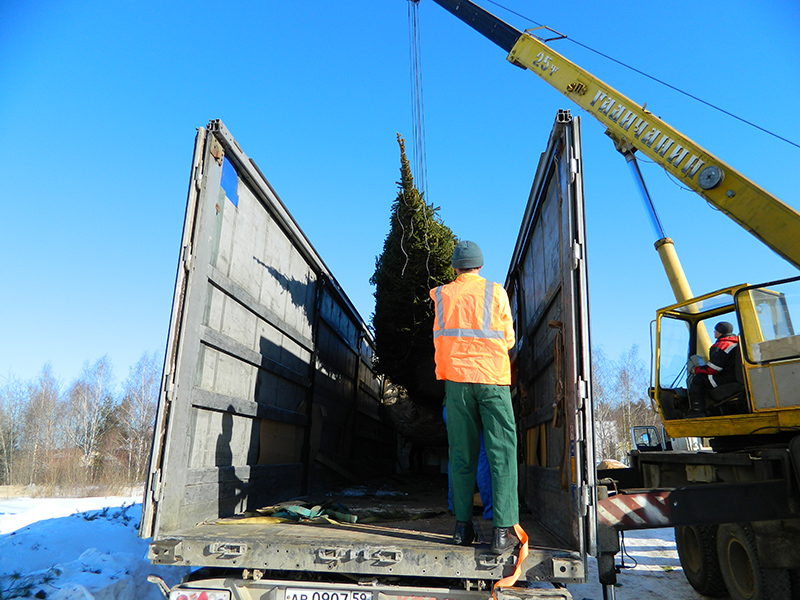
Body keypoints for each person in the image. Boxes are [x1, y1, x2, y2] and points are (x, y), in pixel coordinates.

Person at [429, 240, 518, 554]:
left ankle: (462, 529)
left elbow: (440, 337)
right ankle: (502, 533)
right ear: (480, 265)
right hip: (492, 381)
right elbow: (508, 338)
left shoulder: (441, 295)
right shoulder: (496, 292)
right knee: (501, 454)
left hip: (456, 384)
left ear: (455, 266)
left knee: (462, 456)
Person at [687, 321, 740, 417]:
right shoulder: (735, 343)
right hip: (735, 377)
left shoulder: (721, 345)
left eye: (715, 330)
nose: (714, 332)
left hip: (725, 379)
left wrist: (696, 370)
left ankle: (697, 411)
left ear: (720, 332)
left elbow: (713, 369)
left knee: (698, 380)